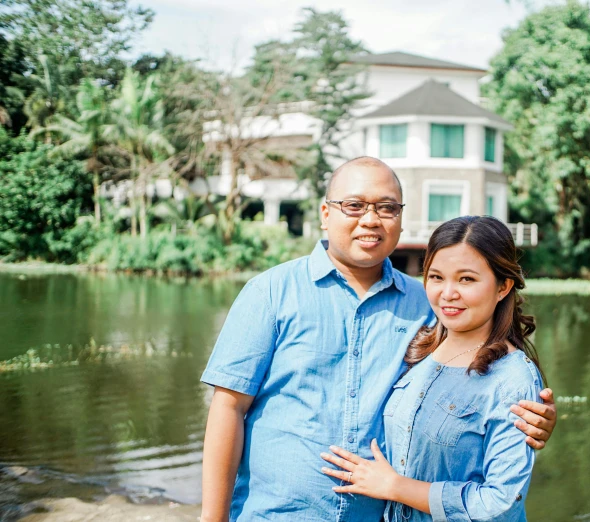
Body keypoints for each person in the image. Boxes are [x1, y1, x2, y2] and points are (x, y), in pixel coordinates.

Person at [200, 157, 556, 522]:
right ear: (326, 213)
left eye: (386, 207)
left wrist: (526, 420)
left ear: (400, 218)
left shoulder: (426, 305)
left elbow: (482, 375)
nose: (370, 219)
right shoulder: (270, 293)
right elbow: (228, 407)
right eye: (353, 205)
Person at [321, 216, 543, 522]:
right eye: (436, 277)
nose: (448, 293)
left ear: (503, 286)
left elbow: (500, 503)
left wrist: (395, 487)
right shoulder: (418, 348)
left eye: (467, 279)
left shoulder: (512, 379)